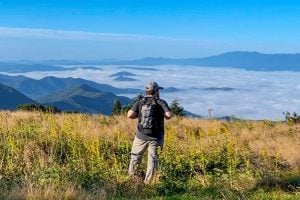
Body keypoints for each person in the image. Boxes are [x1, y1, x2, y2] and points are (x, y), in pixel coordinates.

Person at [127, 81, 172, 184]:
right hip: (155, 137)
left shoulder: (140, 101)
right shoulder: (161, 102)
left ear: (147, 91)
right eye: (158, 90)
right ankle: (148, 182)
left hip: (140, 135)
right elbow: (169, 115)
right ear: (156, 91)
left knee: (135, 156)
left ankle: (131, 179)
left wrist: (138, 115)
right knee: (152, 160)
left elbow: (129, 115)